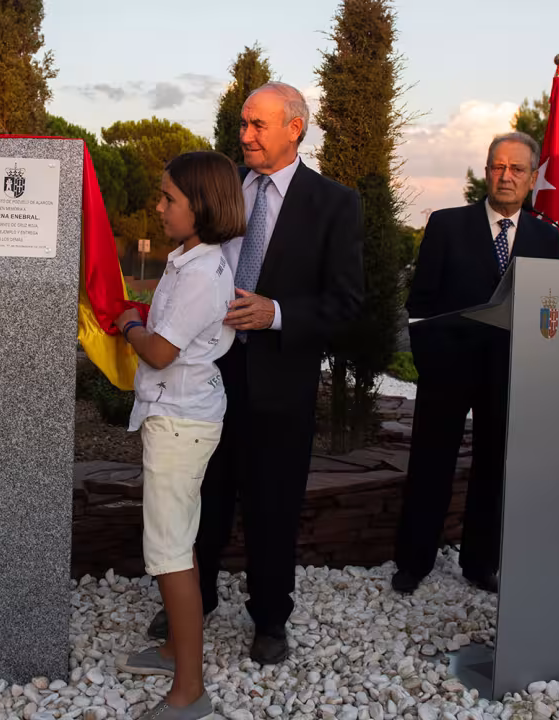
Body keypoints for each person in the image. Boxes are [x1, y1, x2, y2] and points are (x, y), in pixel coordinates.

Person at [147, 81, 365, 665]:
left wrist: (278, 314)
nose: (244, 135)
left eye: (257, 125)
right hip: (209, 375)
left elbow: (347, 303)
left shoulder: (334, 204)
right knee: (205, 493)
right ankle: (196, 600)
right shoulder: (225, 193)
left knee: (273, 502)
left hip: (281, 384)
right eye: (242, 124)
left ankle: (270, 616)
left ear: (295, 127)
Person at [392, 132, 559, 594]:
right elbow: (420, 302)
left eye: (516, 169)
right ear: (486, 171)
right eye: (497, 167)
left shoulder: (548, 238)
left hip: (510, 374)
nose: (505, 177)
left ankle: (480, 560)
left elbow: (550, 311)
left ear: (532, 179)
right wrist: (430, 362)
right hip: (448, 370)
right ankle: (414, 560)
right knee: (431, 464)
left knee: (495, 467)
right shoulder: (447, 225)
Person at [112, 152, 243, 720]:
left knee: (170, 552)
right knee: (175, 540)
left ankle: (189, 690)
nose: (159, 207)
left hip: (181, 419)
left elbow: (162, 352)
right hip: (177, 412)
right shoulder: (186, 259)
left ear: (203, 207)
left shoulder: (202, 273)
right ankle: (173, 651)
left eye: (169, 199)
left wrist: (129, 324)